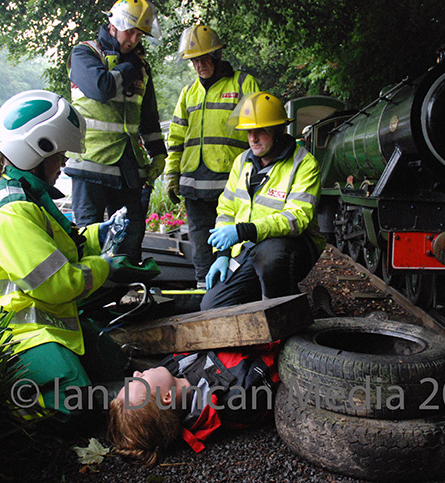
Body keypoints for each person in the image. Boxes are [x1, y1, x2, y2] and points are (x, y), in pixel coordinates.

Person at [0, 90, 155, 421]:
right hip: (15, 336)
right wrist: (105, 268)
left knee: (113, 364)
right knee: (76, 404)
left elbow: (62, 248)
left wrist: (99, 234)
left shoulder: (23, 195)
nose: (64, 163)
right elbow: (55, 283)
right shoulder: (11, 211)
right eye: (61, 154)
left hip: (47, 324)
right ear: (38, 150)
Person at [199, 92, 326, 310]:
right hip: (248, 248)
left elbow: (296, 219)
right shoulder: (242, 162)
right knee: (212, 306)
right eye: (249, 131)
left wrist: (244, 231)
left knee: (271, 257)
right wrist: (222, 255)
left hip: (292, 248)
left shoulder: (303, 163)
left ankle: (284, 315)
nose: (253, 138)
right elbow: (226, 210)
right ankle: (289, 301)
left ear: (278, 130)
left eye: (261, 131)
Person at [65, 0, 167, 263]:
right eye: (130, 31)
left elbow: (148, 116)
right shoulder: (85, 53)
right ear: (114, 25)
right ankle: (91, 300)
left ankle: (129, 297)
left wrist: (158, 154)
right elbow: (102, 88)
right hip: (90, 166)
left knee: (131, 238)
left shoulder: (141, 67)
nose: (134, 39)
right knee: (88, 239)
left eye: (139, 34)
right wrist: (128, 66)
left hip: (128, 167)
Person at [165, 25, 260, 288]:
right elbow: (176, 139)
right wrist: (172, 175)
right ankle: (204, 294)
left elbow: (260, 130)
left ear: (216, 56)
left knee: (237, 242)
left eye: (204, 58)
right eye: (194, 60)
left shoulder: (243, 84)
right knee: (200, 244)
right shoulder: (188, 93)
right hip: (194, 185)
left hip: (232, 184)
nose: (199, 65)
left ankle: (237, 293)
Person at [108, 343, 280, 465]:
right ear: (166, 397)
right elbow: (279, 355)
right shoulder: (236, 397)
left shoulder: (171, 369)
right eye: (139, 380)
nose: (137, 372)